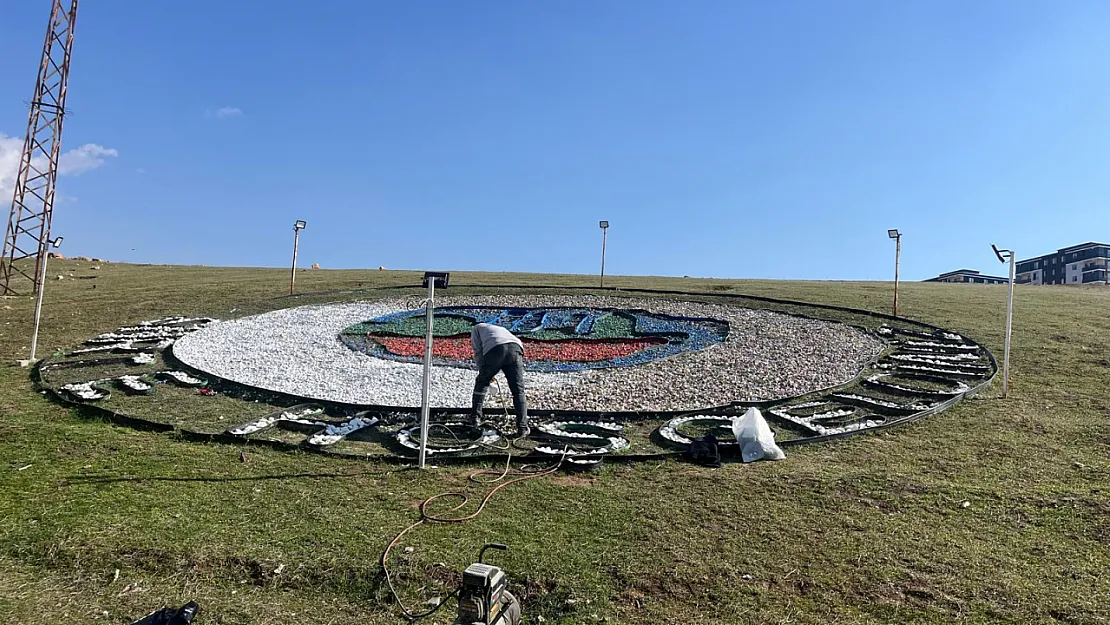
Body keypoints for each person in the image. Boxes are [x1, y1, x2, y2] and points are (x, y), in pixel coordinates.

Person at [470, 322, 529, 437]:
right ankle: (522, 427)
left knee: (481, 383)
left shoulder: (476, 329)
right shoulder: (500, 329)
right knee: (518, 391)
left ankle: (475, 418)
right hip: (516, 348)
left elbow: (478, 352)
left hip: (495, 349)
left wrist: (484, 373)